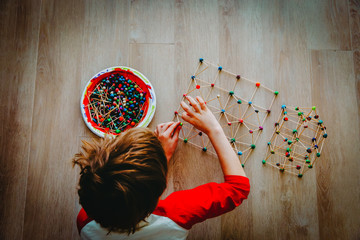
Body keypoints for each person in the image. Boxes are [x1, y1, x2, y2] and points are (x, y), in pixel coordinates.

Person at [74, 96, 250, 240]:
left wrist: (160, 158)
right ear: (164, 185)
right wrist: (214, 128)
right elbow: (238, 189)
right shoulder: (175, 215)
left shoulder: (86, 220)